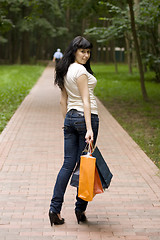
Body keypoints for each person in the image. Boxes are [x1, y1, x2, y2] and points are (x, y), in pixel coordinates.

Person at [49, 36, 99, 226]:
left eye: (88, 51)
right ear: (74, 51)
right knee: (86, 166)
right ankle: (80, 210)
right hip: (87, 119)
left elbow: (63, 101)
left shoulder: (64, 69)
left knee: (67, 165)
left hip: (70, 118)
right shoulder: (80, 72)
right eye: (82, 51)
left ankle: (54, 210)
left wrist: (66, 124)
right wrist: (88, 128)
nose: (86, 55)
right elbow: (86, 101)